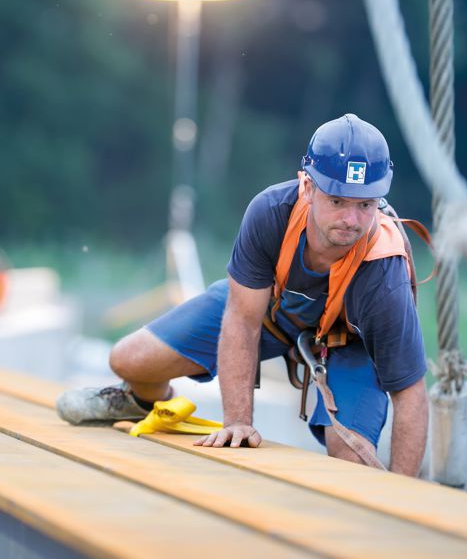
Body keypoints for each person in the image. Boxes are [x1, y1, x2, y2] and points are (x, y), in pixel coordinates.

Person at [57, 114, 429, 476]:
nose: (351, 219)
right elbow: (242, 319)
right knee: (129, 359)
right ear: (308, 187)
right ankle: (140, 402)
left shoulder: (385, 272)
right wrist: (237, 422)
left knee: (352, 464)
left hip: (349, 342)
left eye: (365, 205)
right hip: (266, 311)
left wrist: (404, 499)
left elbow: (410, 392)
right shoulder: (271, 212)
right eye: (337, 201)